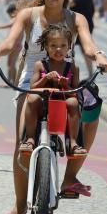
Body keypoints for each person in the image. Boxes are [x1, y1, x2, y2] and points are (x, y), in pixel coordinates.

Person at [0, 0, 107, 214]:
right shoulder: (29, 15)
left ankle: (70, 177)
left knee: (91, 110)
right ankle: (19, 207)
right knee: (20, 145)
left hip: (65, 79)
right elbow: (10, 42)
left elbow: (88, 45)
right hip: (32, 80)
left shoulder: (76, 19)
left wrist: (99, 56)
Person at [20, 24, 84, 155]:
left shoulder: (72, 68)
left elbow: (75, 91)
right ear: (46, 47)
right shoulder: (40, 65)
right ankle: (30, 138)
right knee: (31, 99)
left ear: (69, 47)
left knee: (73, 102)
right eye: (53, 46)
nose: (58, 49)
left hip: (63, 100)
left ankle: (73, 142)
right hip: (43, 100)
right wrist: (45, 79)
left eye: (63, 45)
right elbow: (33, 87)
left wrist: (65, 84)